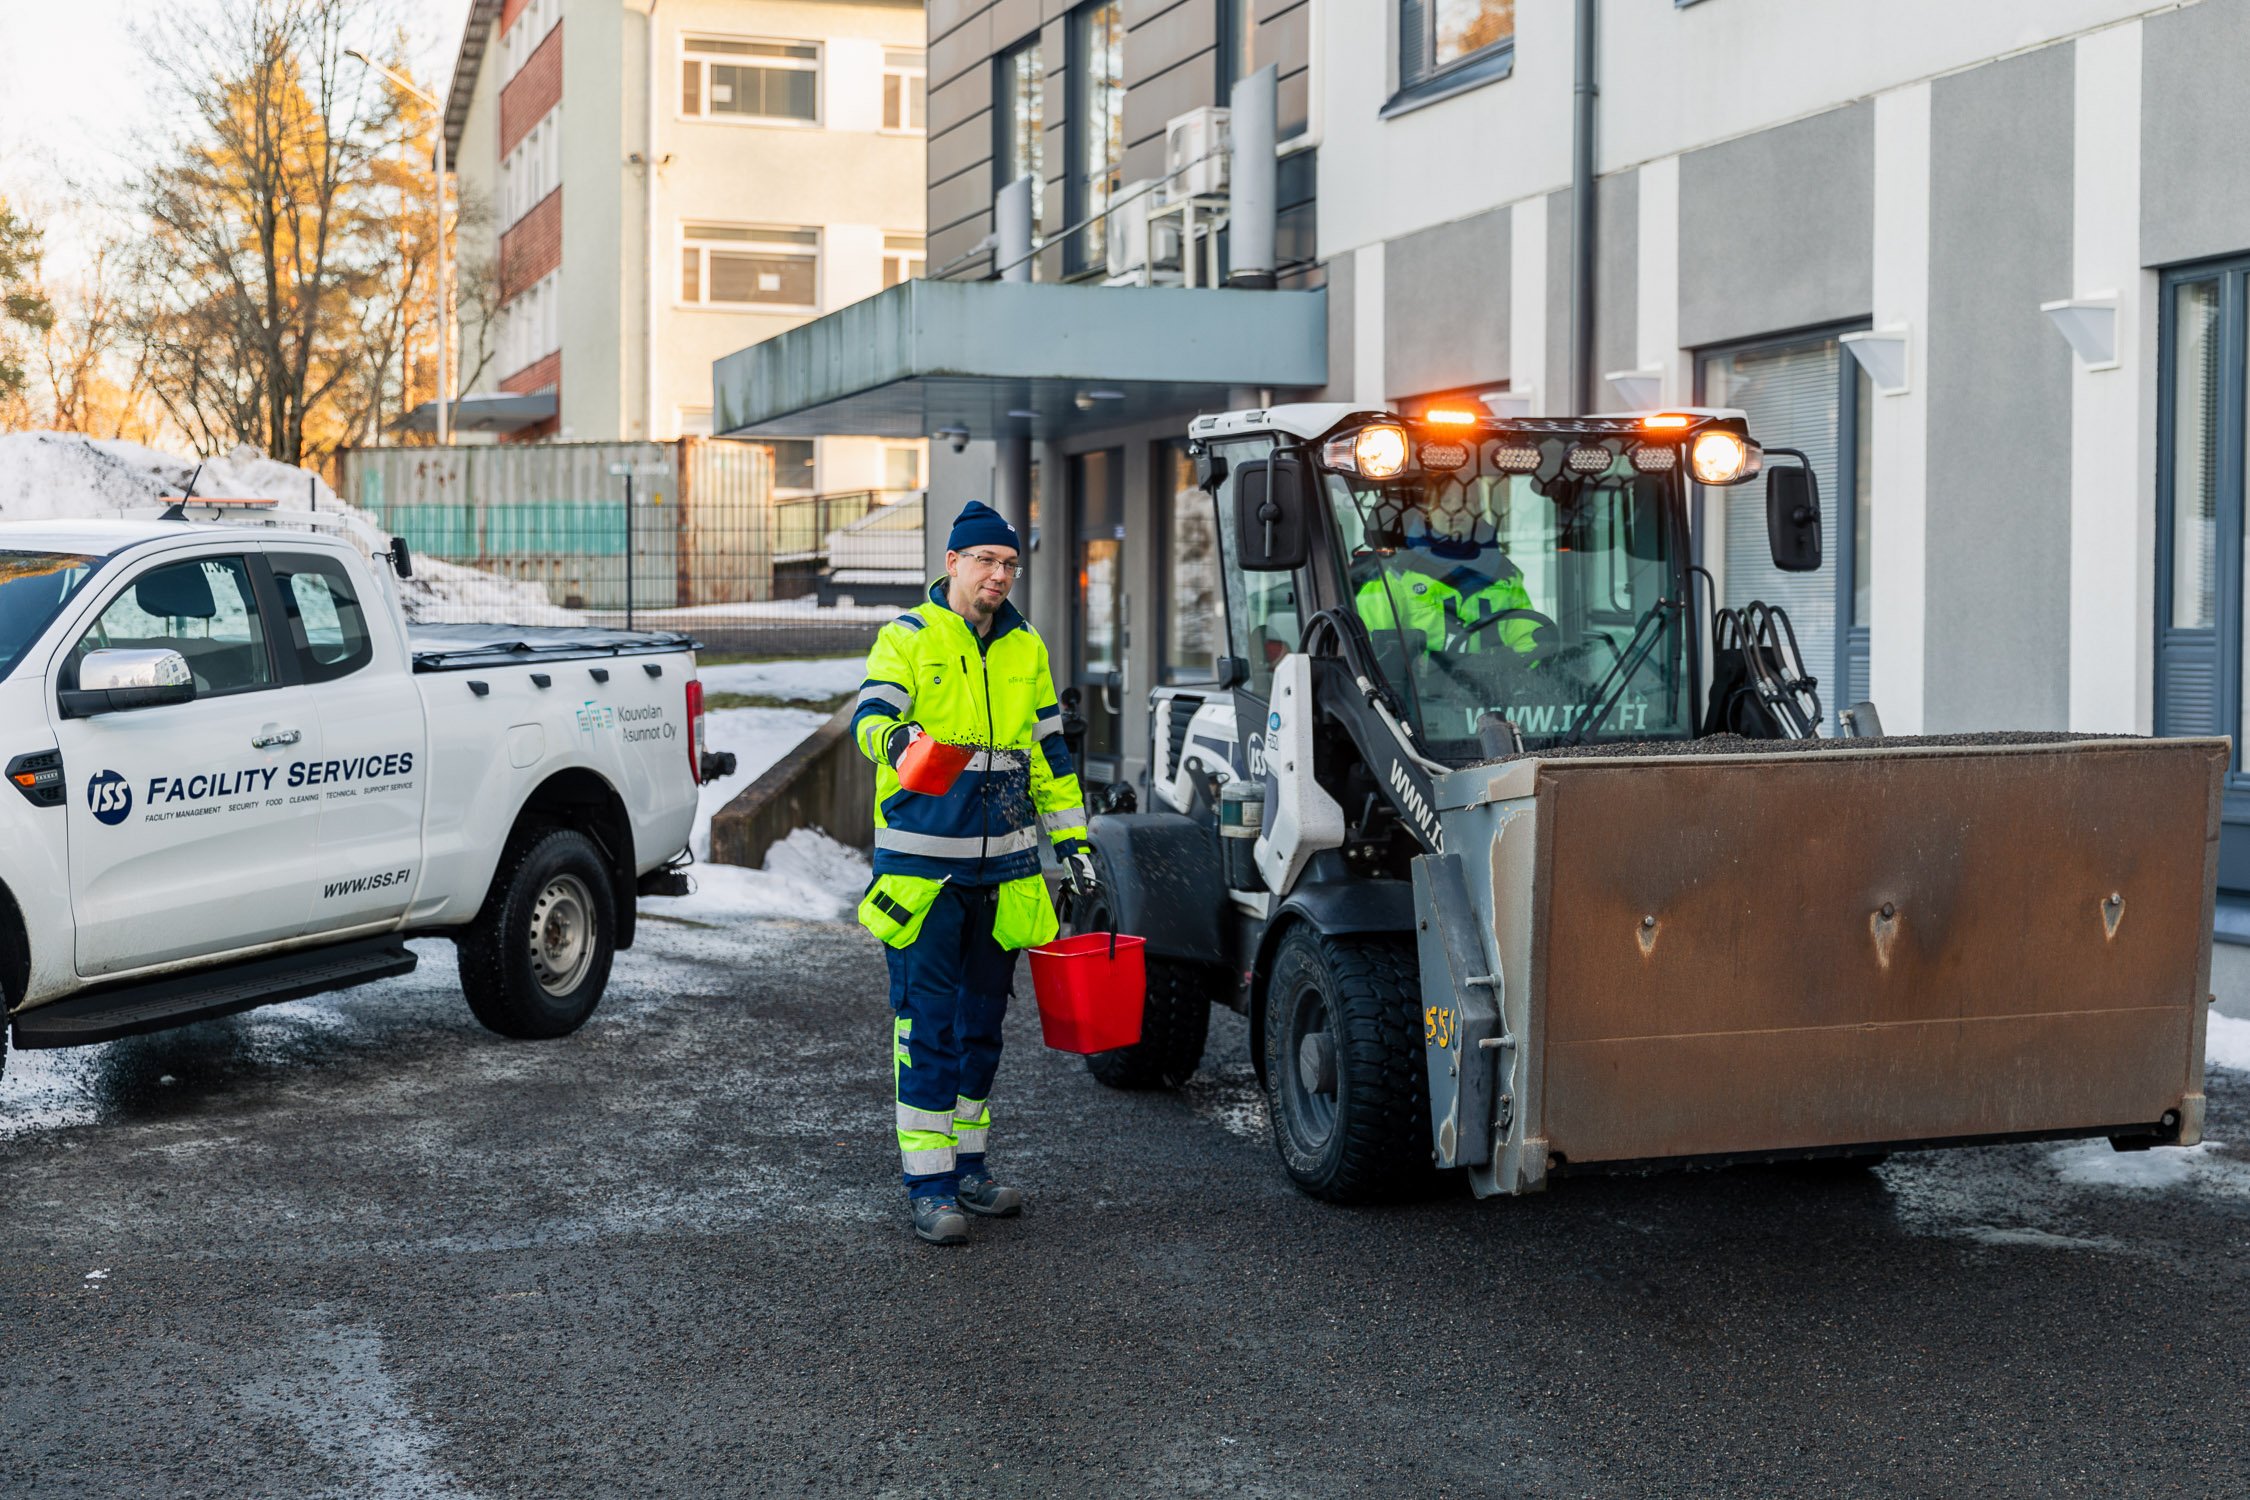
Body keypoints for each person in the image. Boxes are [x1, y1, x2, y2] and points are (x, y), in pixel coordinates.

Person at [851, 500, 1099, 1246]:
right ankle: (926, 1187)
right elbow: (870, 718)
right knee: (927, 1029)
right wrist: (895, 740)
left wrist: (1076, 846)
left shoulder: (1027, 649)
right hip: (924, 875)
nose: (999, 575)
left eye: (1010, 564)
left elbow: (1051, 758)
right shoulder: (908, 638)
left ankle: (968, 1169)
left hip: (1007, 873)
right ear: (952, 563)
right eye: (985, 561)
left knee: (982, 1030)